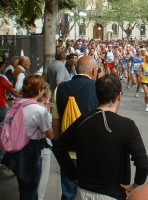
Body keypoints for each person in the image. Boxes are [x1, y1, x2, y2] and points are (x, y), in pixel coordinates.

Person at [53, 74, 148, 200]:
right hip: (113, 193)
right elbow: (143, 164)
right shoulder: (127, 125)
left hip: (83, 192)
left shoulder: (83, 120)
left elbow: (58, 147)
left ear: (96, 95)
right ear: (119, 96)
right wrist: (135, 185)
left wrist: (73, 175)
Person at [52, 56, 99, 200]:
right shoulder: (98, 88)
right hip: (91, 152)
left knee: (69, 193)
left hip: (68, 152)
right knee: (91, 193)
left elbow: (55, 123)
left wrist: (61, 146)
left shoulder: (60, 89)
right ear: (93, 70)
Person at [2, 75, 54, 200]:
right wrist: (46, 113)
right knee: (31, 187)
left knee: (23, 185)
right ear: (39, 90)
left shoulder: (19, 102)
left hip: (16, 147)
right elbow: (50, 134)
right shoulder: (39, 110)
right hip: (30, 150)